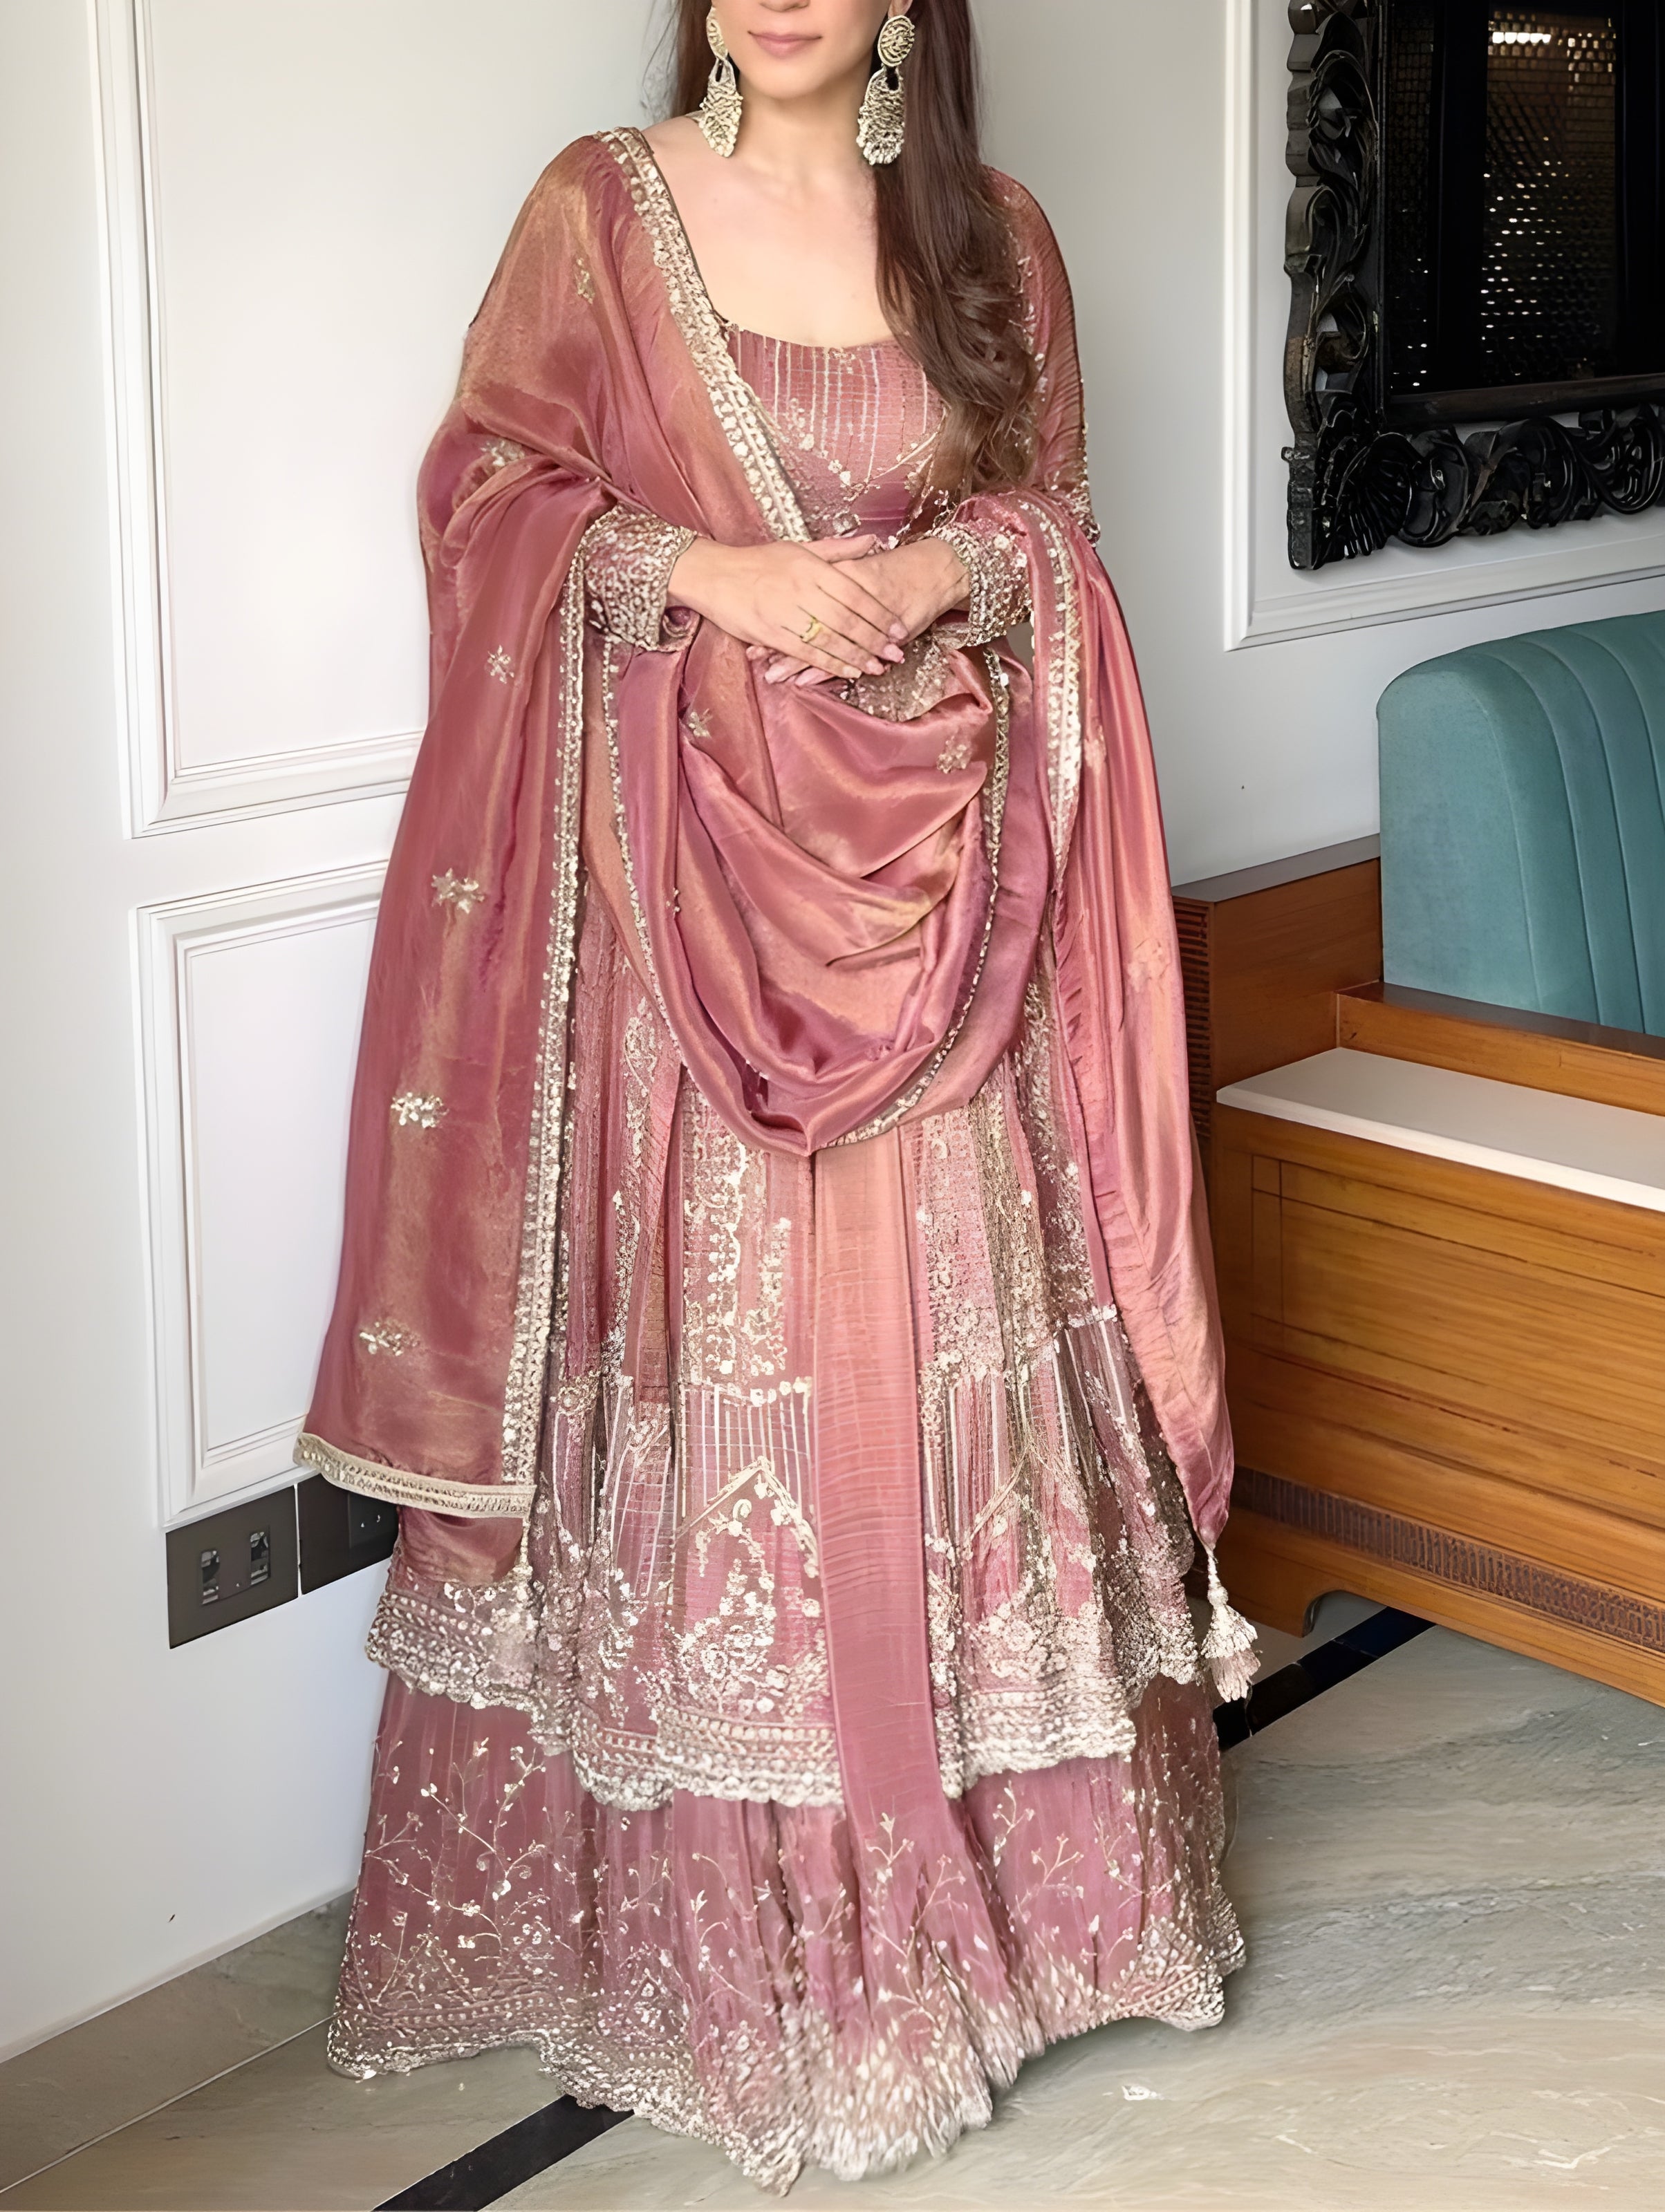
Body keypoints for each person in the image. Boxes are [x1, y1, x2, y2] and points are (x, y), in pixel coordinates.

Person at [296, 1, 1258, 2192]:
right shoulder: (603, 215)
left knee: (938, 1394)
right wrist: (698, 567)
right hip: (688, 923)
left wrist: (946, 567)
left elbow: (1050, 527)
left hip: (952, 917)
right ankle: (720, 1965)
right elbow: (488, 491)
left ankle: (1004, 1936)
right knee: (740, 1407)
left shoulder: (996, 242)